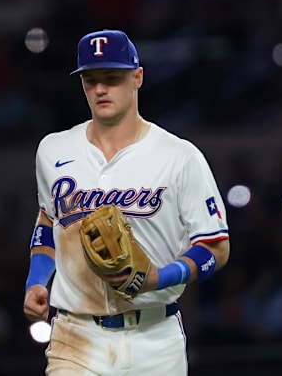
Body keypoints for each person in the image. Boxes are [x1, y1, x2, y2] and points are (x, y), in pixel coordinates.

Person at [22, 29, 230, 375]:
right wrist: (36, 281)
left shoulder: (179, 157)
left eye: (112, 78)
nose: (101, 89)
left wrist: (158, 277)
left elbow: (215, 247)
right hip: (77, 334)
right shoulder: (53, 150)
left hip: (156, 337)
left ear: (138, 77)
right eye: (91, 80)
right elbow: (48, 221)